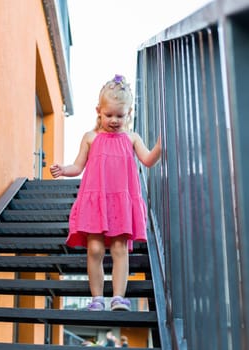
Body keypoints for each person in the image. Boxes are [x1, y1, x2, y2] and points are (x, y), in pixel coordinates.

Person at [50, 74, 161, 311]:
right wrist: (63, 169)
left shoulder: (132, 138)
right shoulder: (90, 138)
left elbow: (148, 159)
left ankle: (118, 298)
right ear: (98, 111)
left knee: (120, 249)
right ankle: (97, 298)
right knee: (96, 249)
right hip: (95, 201)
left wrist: (161, 145)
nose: (114, 120)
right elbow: (78, 166)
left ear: (128, 114)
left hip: (121, 202)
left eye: (120, 116)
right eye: (109, 114)